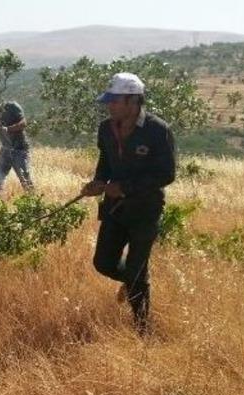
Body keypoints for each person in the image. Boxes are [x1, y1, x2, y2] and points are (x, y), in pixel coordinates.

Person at [80, 72, 176, 335]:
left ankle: (142, 329)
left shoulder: (158, 131)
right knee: (103, 263)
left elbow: (167, 174)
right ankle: (135, 281)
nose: (109, 106)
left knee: (135, 271)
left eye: (114, 101)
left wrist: (124, 188)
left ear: (133, 102)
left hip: (145, 210)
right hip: (114, 209)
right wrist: (98, 182)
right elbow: (105, 162)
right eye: (108, 101)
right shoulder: (105, 129)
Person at [0, 101, 34, 192]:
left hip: (19, 149)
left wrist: (8, 129)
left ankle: (34, 202)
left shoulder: (13, 106)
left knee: (25, 179)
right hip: (6, 151)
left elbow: (23, 123)